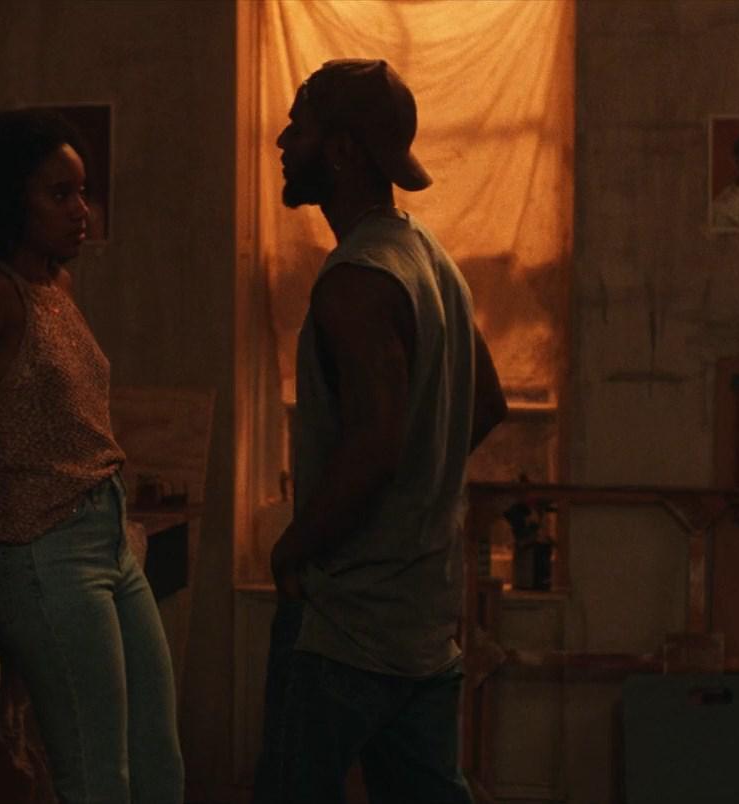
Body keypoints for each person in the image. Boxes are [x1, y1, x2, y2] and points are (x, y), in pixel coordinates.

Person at [253, 59, 508, 804]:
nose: (282, 140)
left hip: (346, 627)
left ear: (340, 150)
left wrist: (292, 548)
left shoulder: (356, 281)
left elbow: (374, 447)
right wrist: (418, 494)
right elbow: (485, 403)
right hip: (423, 622)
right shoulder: (431, 261)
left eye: (298, 126)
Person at [0, 108, 182, 804]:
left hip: (108, 536)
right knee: (97, 780)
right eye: (59, 194)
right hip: (45, 552)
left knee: (158, 763)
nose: (80, 210)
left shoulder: (55, 288)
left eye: (82, 192)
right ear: (11, 201)